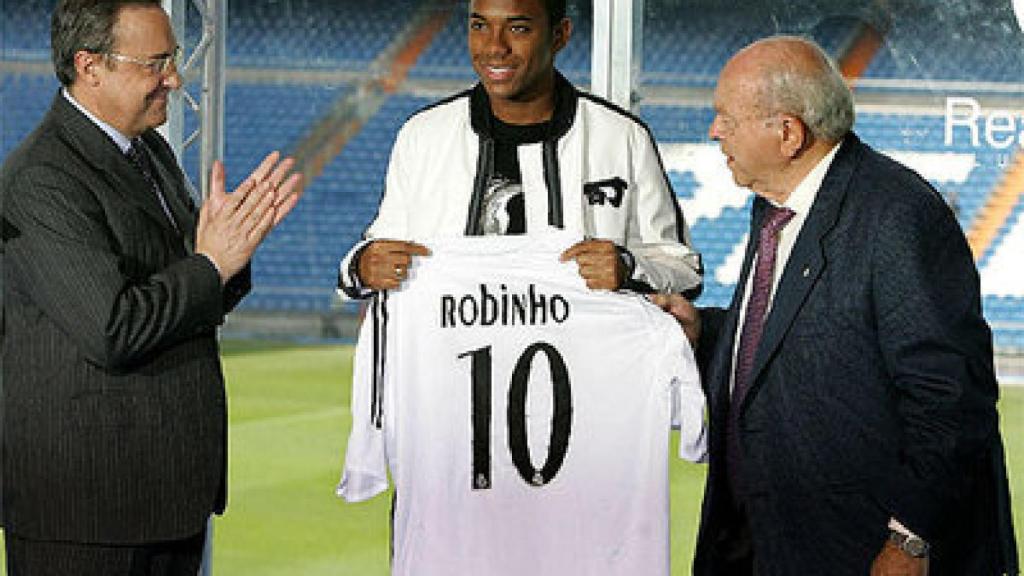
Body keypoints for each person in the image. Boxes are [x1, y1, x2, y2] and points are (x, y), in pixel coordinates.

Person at [652, 36, 1018, 576]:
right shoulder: (777, 206)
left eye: (727, 117)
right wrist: (705, 332)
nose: (714, 131)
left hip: (858, 551)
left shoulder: (898, 216)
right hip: (769, 541)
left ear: (788, 133)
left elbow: (949, 397)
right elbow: (795, 339)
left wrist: (909, 541)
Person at [0, 0, 303, 573]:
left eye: (175, 58)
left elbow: (192, 283)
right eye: (155, 63)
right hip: (87, 517)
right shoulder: (42, 180)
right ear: (90, 67)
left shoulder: (149, 149)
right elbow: (112, 328)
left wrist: (230, 254)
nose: (175, 78)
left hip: (163, 501)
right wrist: (212, 264)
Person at [337, 0, 702, 298]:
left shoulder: (621, 137)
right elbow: (370, 258)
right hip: (452, 378)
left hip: (580, 378)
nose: (494, 47)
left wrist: (627, 268)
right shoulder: (423, 136)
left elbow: (684, 271)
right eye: (479, 26)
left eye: (518, 28)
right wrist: (363, 266)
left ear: (559, 35)